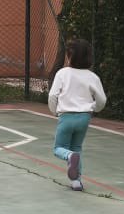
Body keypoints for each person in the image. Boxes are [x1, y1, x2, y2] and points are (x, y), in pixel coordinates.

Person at [46, 39, 107, 191]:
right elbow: (102, 100)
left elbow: (53, 95)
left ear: (69, 57)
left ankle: (69, 157)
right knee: (77, 148)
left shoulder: (62, 73)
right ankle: (76, 182)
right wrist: (94, 108)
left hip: (66, 116)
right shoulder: (92, 77)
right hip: (84, 117)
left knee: (59, 148)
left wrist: (54, 111)